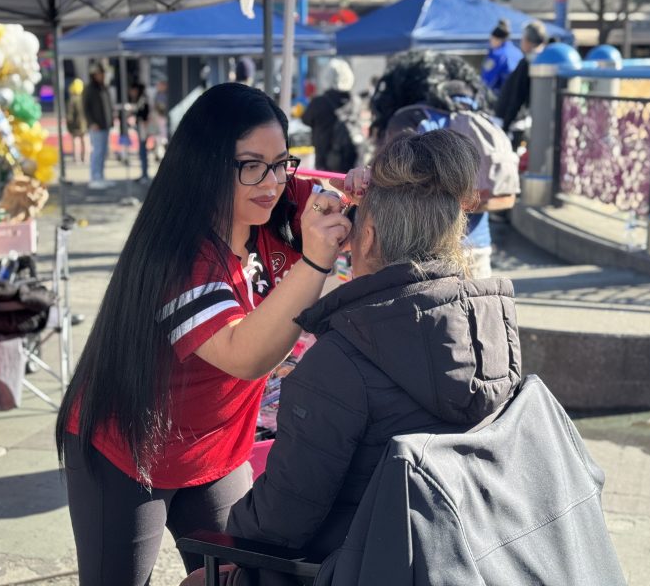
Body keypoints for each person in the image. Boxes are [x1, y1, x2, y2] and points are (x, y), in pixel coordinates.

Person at [180, 129, 522, 585]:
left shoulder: (343, 361)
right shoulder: (495, 330)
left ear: (370, 234)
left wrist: (229, 542)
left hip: (354, 567)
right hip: (467, 561)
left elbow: (277, 522)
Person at [55, 82, 352, 586]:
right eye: (251, 165)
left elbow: (338, 190)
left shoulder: (274, 201)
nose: (273, 181)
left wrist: (364, 182)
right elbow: (244, 354)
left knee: (247, 577)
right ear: (207, 164)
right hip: (128, 451)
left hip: (218, 450)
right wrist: (316, 260)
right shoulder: (180, 256)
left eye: (282, 162)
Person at [370, 51, 509, 279]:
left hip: (424, 250)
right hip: (478, 243)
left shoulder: (409, 119)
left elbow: (389, 185)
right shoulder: (477, 115)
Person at [301, 59, 361, 173]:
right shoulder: (355, 101)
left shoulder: (319, 102)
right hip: (351, 156)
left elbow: (305, 119)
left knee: (325, 189)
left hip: (324, 157)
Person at [496, 20, 547, 134]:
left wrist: (506, 125)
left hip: (518, 124)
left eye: (523, 38)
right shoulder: (543, 60)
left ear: (529, 41)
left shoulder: (528, 62)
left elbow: (517, 96)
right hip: (528, 121)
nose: (521, 41)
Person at [82, 62, 114, 189]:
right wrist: (91, 122)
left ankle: (100, 175)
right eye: (100, 73)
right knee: (97, 151)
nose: (102, 76)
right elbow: (85, 108)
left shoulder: (103, 88)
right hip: (96, 126)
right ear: (94, 75)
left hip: (104, 124)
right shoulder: (90, 89)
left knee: (103, 152)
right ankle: (95, 177)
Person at [481, 19, 523, 97]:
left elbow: (487, 81)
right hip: (519, 97)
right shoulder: (519, 53)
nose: (490, 42)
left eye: (491, 40)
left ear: (498, 40)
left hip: (501, 97)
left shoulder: (497, 55)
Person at [128, 81, 151, 184]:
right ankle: (143, 174)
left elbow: (144, 114)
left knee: (143, 152)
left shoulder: (143, 100)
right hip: (141, 129)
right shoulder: (141, 100)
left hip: (143, 129)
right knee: (142, 152)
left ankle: (145, 175)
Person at [66, 78, 88, 164]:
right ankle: (86, 158)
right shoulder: (84, 98)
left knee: (76, 140)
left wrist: (69, 123)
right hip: (84, 123)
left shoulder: (72, 100)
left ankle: (77, 158)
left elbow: (70, 114)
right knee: (85, 140)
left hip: (75, 124)